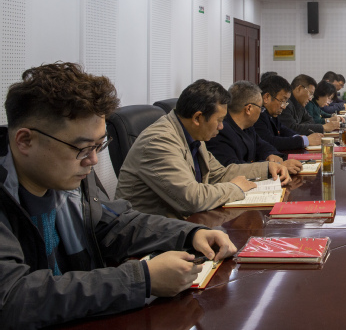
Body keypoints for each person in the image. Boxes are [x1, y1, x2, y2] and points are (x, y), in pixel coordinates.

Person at [0, 62, 237, 328]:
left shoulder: (68, 178)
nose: (92, 160)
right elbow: (12, 299)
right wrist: (141, 279)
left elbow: (116, 223)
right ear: (25, 141)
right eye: (82, 148)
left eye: (98, 146)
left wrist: (191, 234)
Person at [116, 79, 290, 219]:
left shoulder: (193, 134)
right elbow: (192, 198)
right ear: (198, 118)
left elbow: (219, 174)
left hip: (183, 224)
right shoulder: (160, 142)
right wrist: (235, 188)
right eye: (219, 120)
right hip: (151, 236)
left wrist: (267, 168)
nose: (222, 127)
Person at [206, 81, 302, 175]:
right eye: (260, 108)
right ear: (249, 109)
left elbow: (262, 145)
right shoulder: (219, 131)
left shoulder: (248, 127)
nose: (261, 112)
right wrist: (271, 167)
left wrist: (271, 155)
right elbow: (233, 169)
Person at [254, 74, 323, 150]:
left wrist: (300, 137)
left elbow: (284, 130)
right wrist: (305, 140)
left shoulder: (272, 114)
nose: (284, 106)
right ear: (266, 97)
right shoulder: (257, 115)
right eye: (282, 101)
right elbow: (270, 141)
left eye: (285, 102)